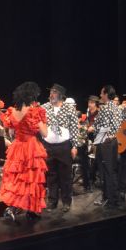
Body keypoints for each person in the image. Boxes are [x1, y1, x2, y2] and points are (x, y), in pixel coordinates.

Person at [0, 82, 48, 221]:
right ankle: (30, 210)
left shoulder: (13, 111)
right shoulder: (35, 111)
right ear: (32, 96)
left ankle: (12, 207)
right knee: (31, 179)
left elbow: (11, 131)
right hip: (31, 147)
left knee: (17, 178)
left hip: (18, 146)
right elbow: (44, 133)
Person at [42, 84, 80, 213]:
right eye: (51, 92)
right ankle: (52, 201)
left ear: (60, 95)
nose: (51, 94)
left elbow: (75, 128)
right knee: (51, 176)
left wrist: (75, 146)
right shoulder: (44, 107)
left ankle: (66, 202)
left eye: (54, 92)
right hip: (48, 146)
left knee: (65, 176)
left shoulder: (69, 109)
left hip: (64, 147)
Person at [89, 85, 122, 209]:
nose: (100, 96)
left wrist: (92, 128)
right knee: (112, 171)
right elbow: (117, 124)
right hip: (114, 141)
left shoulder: (104, 108)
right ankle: (113, 198)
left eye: (102, 94)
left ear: (106, 94)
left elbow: (100, 126)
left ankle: (110, 200)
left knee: (106, 172)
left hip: (105, 143)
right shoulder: (116, 107)